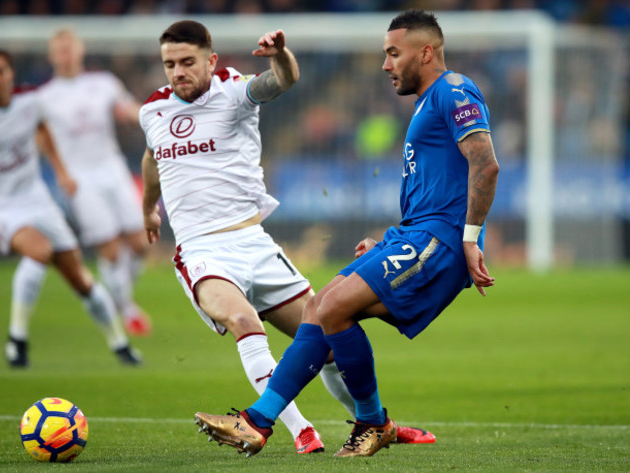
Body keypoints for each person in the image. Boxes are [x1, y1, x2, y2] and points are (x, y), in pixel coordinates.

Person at [195, 9, 500, 458]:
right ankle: (269, 422)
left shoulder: (453, 91)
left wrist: (470, 238)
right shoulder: (427, 101)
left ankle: (346, 423)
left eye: (394, 53)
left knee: (334, 307)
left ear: (427, 51)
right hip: (415, 235)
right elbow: (439, 184)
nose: (386, 64)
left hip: (440, 240)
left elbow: (486, 163)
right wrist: (390, 242)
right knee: (319, 306)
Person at [139, 20, 433, 455]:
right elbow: (151, 156)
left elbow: (283, 80)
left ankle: (378, 424)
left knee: (330, 333)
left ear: (211, 60)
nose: (178, 72)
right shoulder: (153, 110)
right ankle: (297, 429)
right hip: (202, 250)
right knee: (244, 322)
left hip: (254, 243)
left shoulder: (234, 91)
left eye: (187, 62)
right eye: (170, 64)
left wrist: (279, 54)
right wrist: (148, 206)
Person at [0, 48, 142, 367]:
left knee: (80, 278)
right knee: (38, 250)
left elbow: (42, 128)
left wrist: (61, 170)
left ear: (12, 74)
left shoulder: (30, 101)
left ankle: (120, 345)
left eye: (1, 71)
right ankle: (17, 340)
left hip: (37, 200)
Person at [35, 29, 151, 336]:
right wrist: (60, 172)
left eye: (69, 47)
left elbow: (128, 107)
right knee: (110, 249)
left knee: (141, 241)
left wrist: (150, 116)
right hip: (79, 178)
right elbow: (41, 138)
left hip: (112, 168)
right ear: (51, 56)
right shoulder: (44, 97)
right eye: (59, 49)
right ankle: (125, 308)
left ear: (80, 50)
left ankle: (116, 297)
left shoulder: (103, 83)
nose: (66, 53)